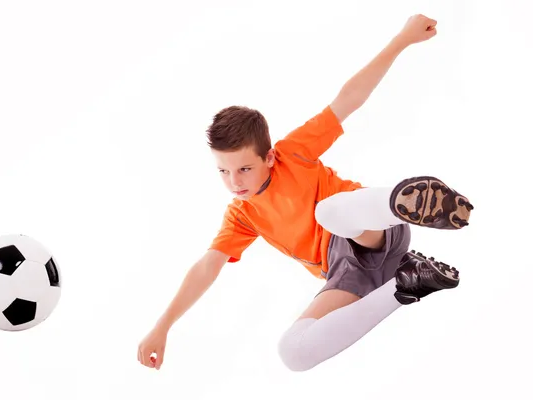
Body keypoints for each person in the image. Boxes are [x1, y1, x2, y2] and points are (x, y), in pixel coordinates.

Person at [137, 14, 474, 372]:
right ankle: (409, 282)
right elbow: (206, 267)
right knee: (293, 353)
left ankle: (401, 202)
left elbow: (349, 99)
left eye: (244, 169)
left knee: (327, 213)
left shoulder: (291, 153)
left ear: (268, 158)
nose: (235, 182)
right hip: (354, 274)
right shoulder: (242, 216)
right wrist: (163, 327)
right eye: (224, 171)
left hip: (372, 229)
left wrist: (402, 39)